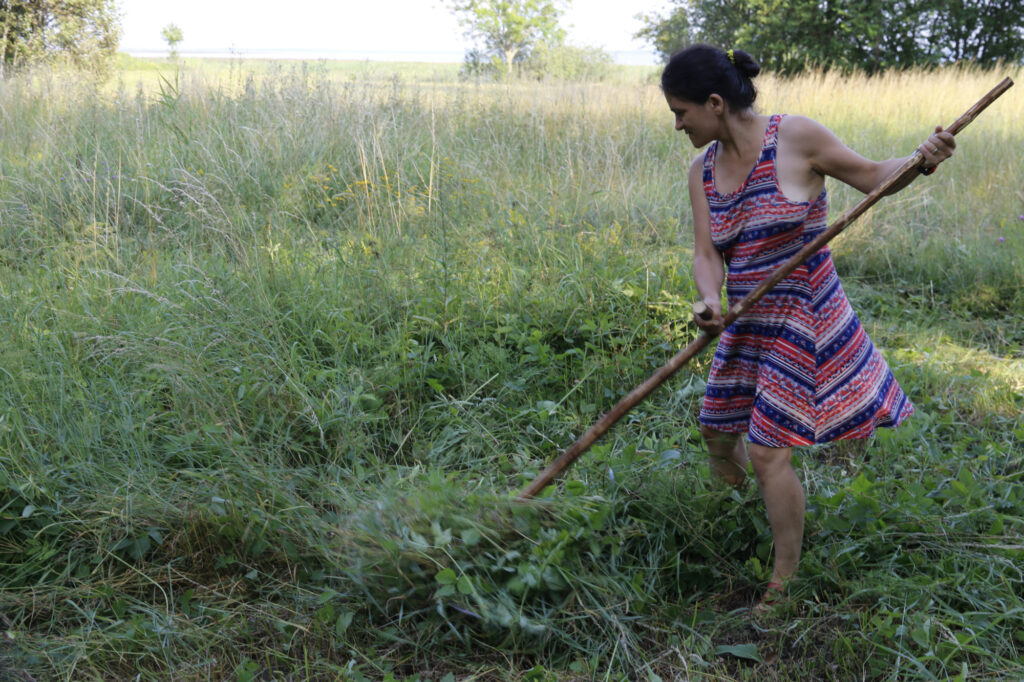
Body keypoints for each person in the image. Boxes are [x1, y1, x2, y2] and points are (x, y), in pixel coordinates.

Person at [662, 44, 955, 611]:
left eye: (682, 111)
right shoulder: (701, 169)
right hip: (748, 318)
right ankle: (748, 519)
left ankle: (784, 579)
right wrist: (706, 299)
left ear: (715, 103)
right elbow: (706, 253)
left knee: (769, 450)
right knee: (718, 434)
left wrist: (923, 159)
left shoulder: (796, 138)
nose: (678, 124)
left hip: (805, 316)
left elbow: (873, 176)